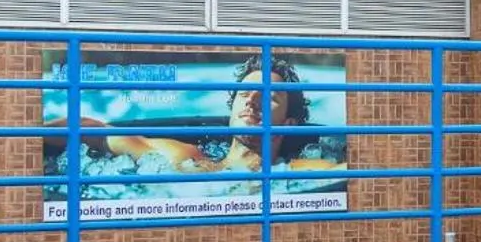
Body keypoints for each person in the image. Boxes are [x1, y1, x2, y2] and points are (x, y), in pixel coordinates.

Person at [83, 56, 341, 175]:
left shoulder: (300, 171)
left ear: (288, 124)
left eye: (269, 97)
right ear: (231, 112)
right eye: (244, 94)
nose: (252, 100)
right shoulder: (186, 160)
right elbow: (92, 132)